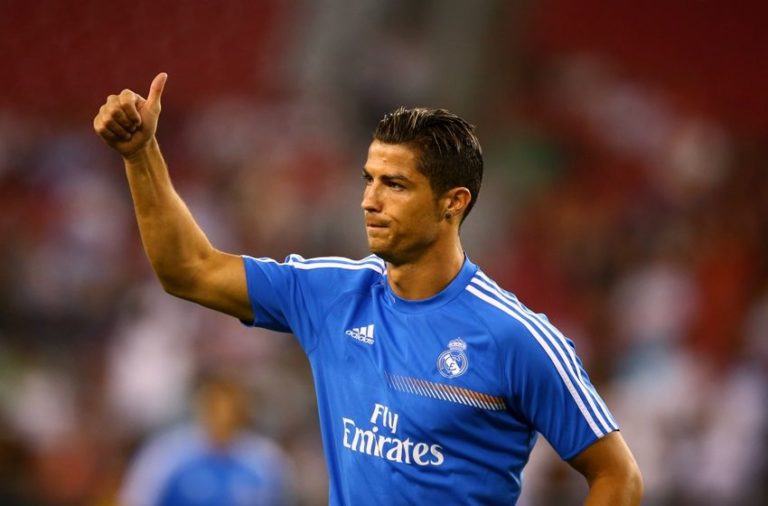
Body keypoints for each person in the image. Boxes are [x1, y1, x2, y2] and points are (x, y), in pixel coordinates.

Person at [94, 73, 643, 505]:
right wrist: (141, 155)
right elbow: (188, 270)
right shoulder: (330, 294)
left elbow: (618, 476)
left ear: (453, 202)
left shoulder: (516, 338)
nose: (369, 200)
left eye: (395, 184)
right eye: (369, 179)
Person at [119, 373, 295, 506]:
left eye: (230, 411)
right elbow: (136, 499)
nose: (222, 419)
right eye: (216, 409)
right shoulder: (166, 454)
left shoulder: (266, 460)